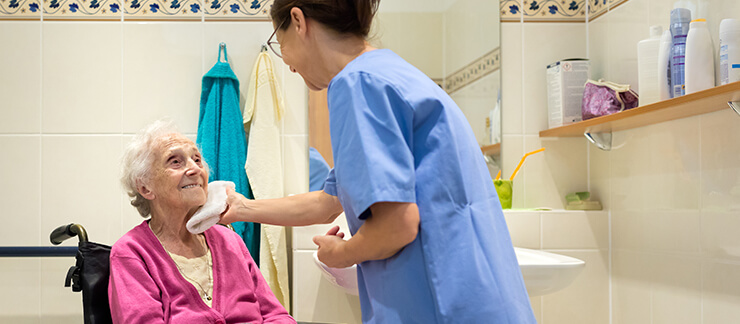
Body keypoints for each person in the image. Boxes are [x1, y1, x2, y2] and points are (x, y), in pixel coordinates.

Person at [220, 0, 537, 323]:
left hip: (443, 308)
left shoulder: (357, 84)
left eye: (279, 42)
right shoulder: (391, 74)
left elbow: (396, 225)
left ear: (299, 21)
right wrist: (242, 208)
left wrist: (341, 253)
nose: (287, 63)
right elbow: (328, 201)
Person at [110, 120, 295, 324]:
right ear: (145, 187)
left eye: (197, 159)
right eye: (175, 161)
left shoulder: (229, 241)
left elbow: (276, 316)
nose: (195, 169)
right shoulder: (131, 253)